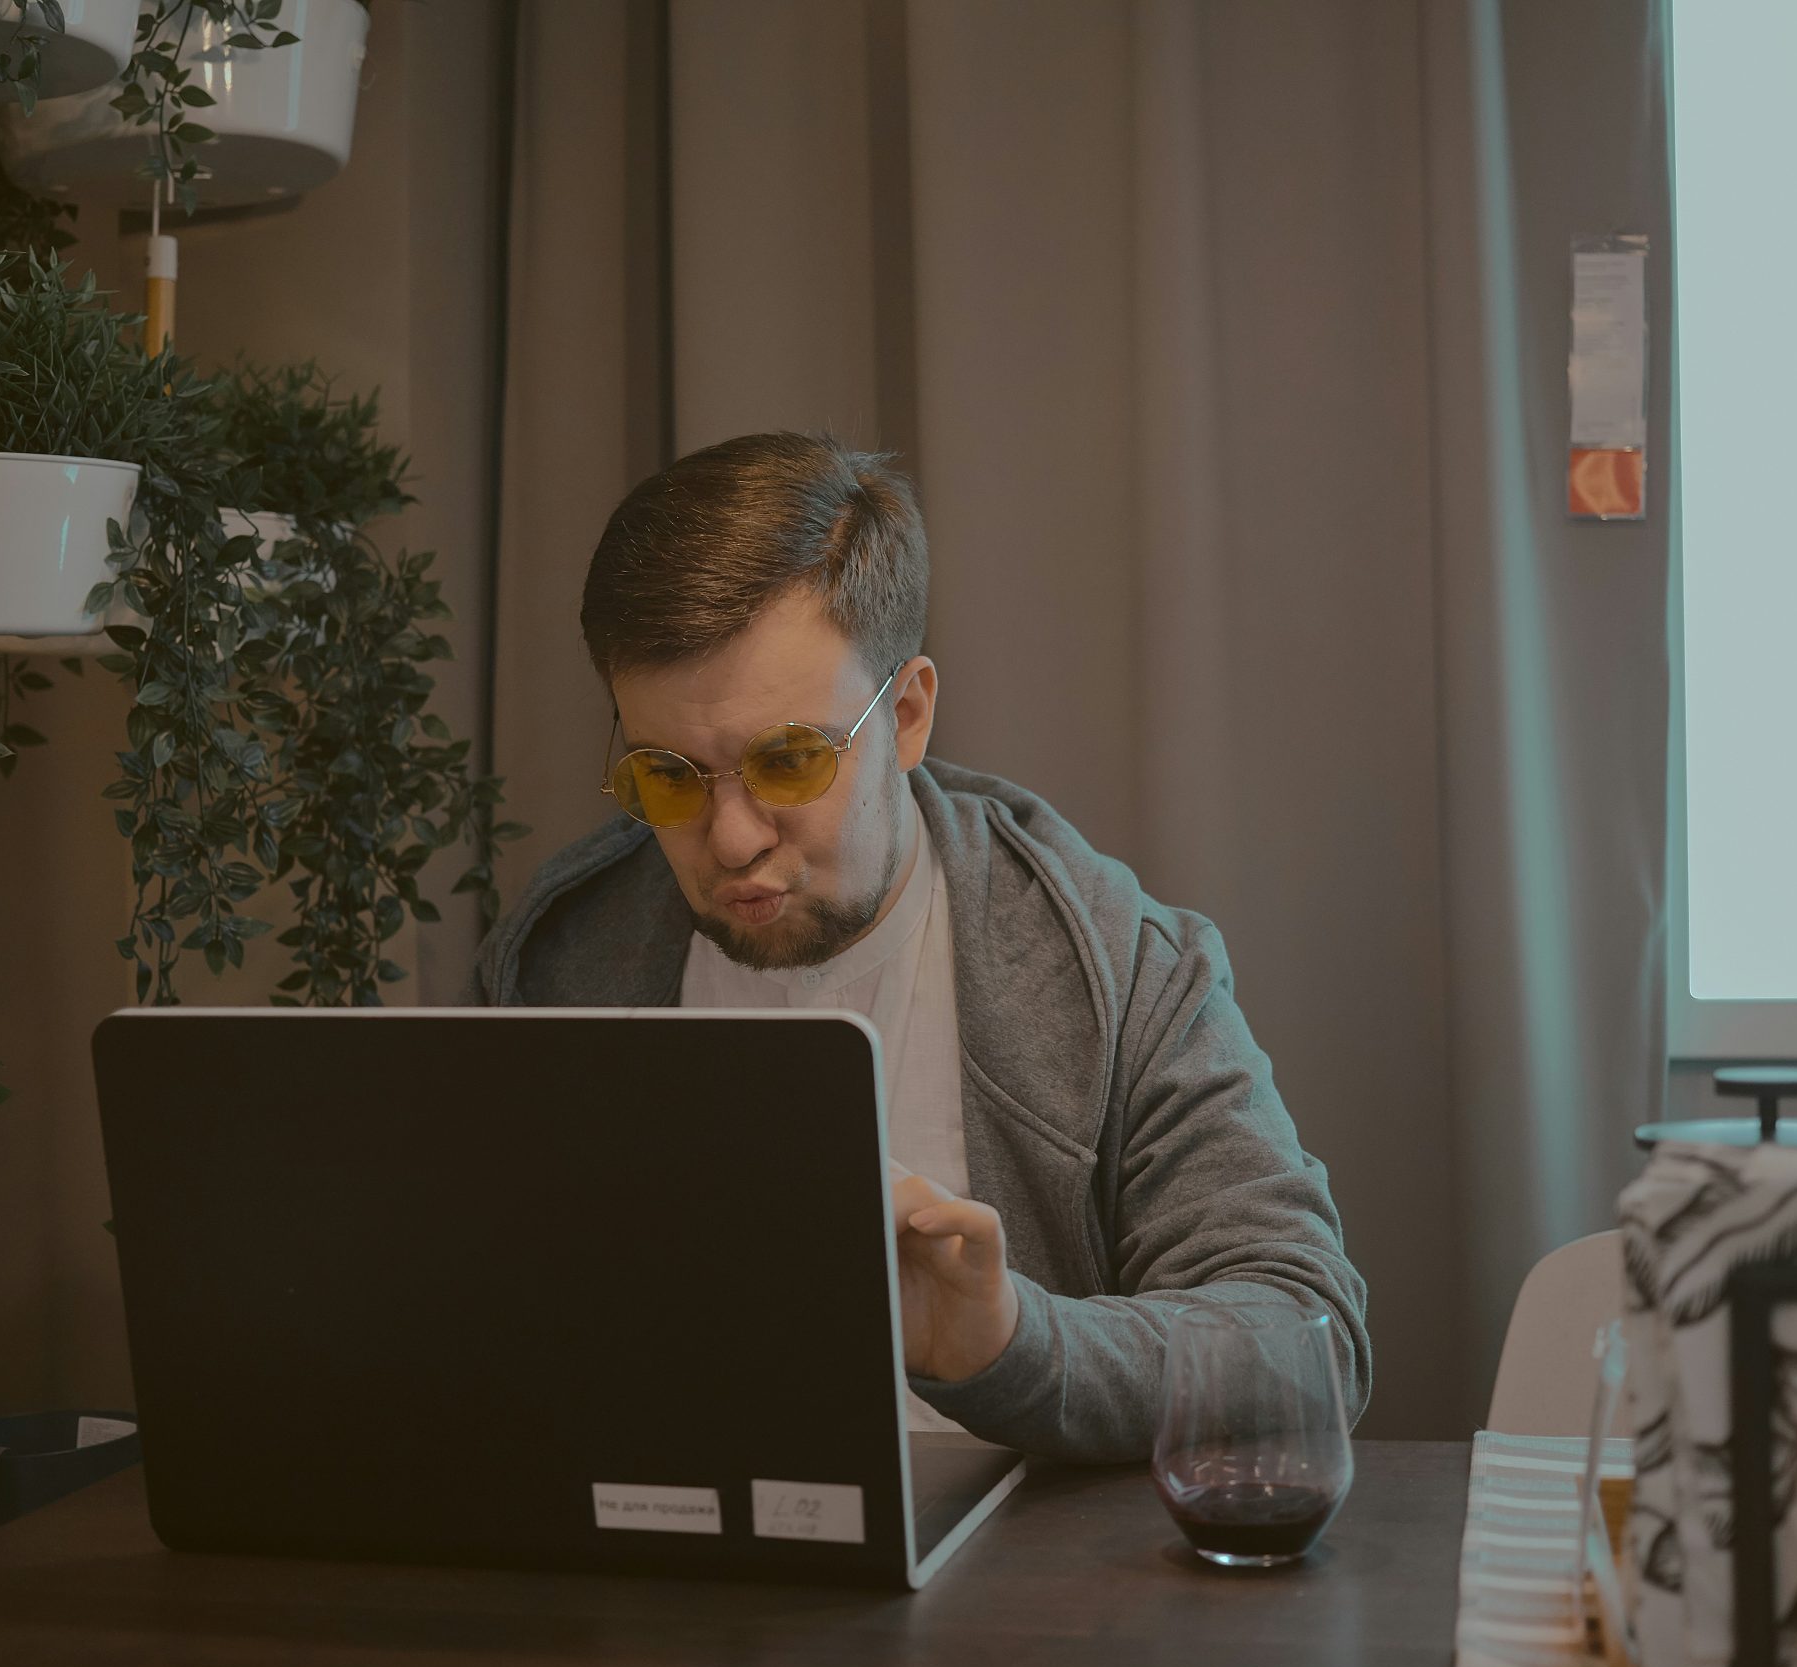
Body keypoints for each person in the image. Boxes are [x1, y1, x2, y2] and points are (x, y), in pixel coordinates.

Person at [471, 431, 1369, 1463]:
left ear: (904, 715)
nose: (732, 839)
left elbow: (1307, 1339)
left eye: (789, 760)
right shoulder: (558, 958)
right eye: (668, 777)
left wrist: (1015, 1343)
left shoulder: (1118, 963)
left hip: (1015, 1599)